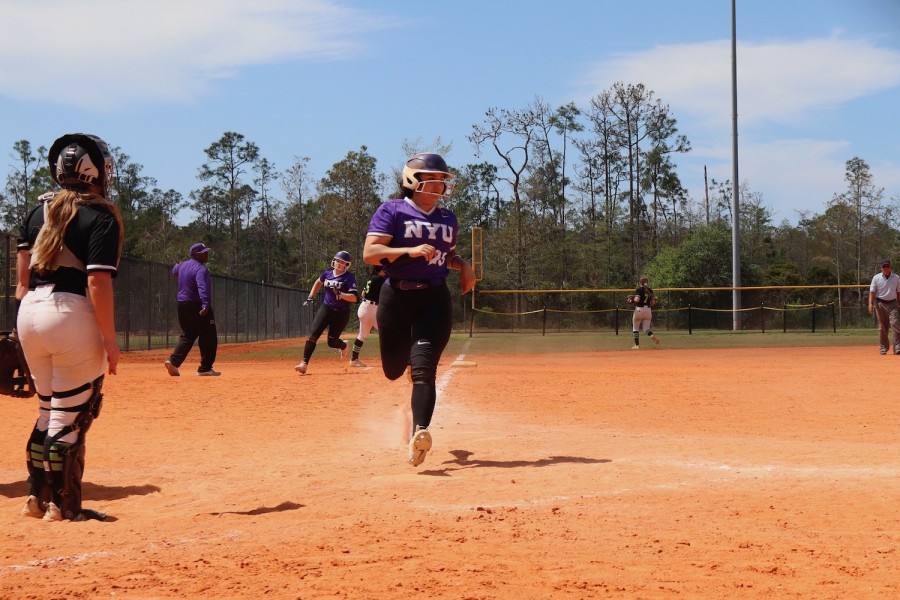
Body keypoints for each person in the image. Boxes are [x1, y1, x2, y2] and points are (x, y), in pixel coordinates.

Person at [16, 133, 123, 521]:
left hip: (30, 311)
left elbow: (22, 278)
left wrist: (27, 320)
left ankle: (36, 496)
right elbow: (97, 281)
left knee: (48, 411)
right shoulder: (100, 215)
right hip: (70, 312)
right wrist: (110, 341)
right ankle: (65, 506)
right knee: (72, 414)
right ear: (94, 171)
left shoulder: (36, 211)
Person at [363, 153, 476, 467]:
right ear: (413, 181)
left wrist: (463, 265)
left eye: (443, 180)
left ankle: (419, 435)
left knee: (425, 369)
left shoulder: (447, 219)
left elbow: (447, 256)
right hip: (396, 299)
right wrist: (409, 250)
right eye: (434, 179)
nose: (441, 185)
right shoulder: (392, 211)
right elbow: (370, 253)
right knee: (393, 371)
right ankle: (411, 372)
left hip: (434, 301)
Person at [295, 251, 359, 375]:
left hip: (341, 313)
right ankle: (304, 363)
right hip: (327, 308)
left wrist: (340, 294)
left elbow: (355, 298)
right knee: (313, 335)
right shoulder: (327, 273)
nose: (339, 263)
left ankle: (343, 346)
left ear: (347, 265)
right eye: (337, 260)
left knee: (332, 342)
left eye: (342, 262)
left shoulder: (348, 277)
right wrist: (311, 296)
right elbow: (318, 282)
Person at [165, 243, 220, 376]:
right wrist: (205, 305)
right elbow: (202, 287)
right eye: (204, 252)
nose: (206, 254)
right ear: (196, 254)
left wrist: (177, 265)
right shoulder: (201, 269)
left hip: (182, 305)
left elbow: (174, 271)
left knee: (188, 334)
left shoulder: (182, 266)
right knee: (209, 335)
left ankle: (173, 362)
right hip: (197, 304)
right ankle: (205, 368)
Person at [348, 264, 386, 368]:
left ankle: (353, 360)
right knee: (386, 332)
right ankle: (393, 358)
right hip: (370, 309)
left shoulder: (373, 278)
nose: (386, 271)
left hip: (367, 307)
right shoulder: (379, 279)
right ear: (381, 270)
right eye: (385, 269)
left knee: (363, 335)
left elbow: (363, 294)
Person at [867, 258, 900, 355]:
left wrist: (898, 303)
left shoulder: (896, 277)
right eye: (884, 266)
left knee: (895, 324)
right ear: (881, 268)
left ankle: (898, 347)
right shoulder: (876, 278)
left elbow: (898, 292)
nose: (886, 268)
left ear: (890, 267)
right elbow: (872, 292)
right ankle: (883, 348)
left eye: (887, 266)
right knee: (882, 327)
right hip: (880, 304)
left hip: (893, 303)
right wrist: (870, 304)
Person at [627, 275, 660, 350]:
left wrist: (630, 300)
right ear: (647, 283)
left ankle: (637, 345)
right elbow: (653, 302)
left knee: (635, 328)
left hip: (639, 309)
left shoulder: (639, 290)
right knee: (646, 328)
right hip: (648, 310)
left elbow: (637, 300)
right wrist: (648, 305)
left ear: (640, 283)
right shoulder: (650, 290)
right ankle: (651, 335)